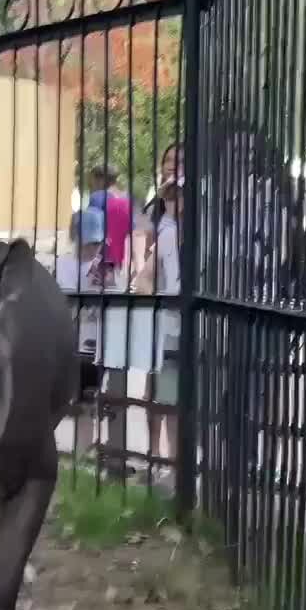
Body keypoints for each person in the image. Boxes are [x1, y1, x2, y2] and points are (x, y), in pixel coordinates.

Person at [56, 208, 129, 471]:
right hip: (72, 343)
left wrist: (110, 285)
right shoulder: (62, 265)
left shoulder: (106, 265)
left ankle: (112, 455)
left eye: (98, 243)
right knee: (81, 402)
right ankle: (80, 455)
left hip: (100, 343)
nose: (93, 248)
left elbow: (122, 297)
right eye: (89, 242)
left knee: (107, 399)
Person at [133, 159, 182, 479]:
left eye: (179, 195)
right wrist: (154, 301)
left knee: (185, 400)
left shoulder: (212, 236)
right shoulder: (166, 235)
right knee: (166, 397)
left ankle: (179, 464)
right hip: (171, 325)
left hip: (204, 328)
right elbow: (145, 278)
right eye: (169, 196)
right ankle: (165, 461)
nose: (174, 202)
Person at [87, 166, 133, 289]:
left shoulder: (97, 197)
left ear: (99, 179)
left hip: (102, 249)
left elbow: (91, 225)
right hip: (122, 252)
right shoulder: (126, 197)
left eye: (92, 180)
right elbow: (131, 227)